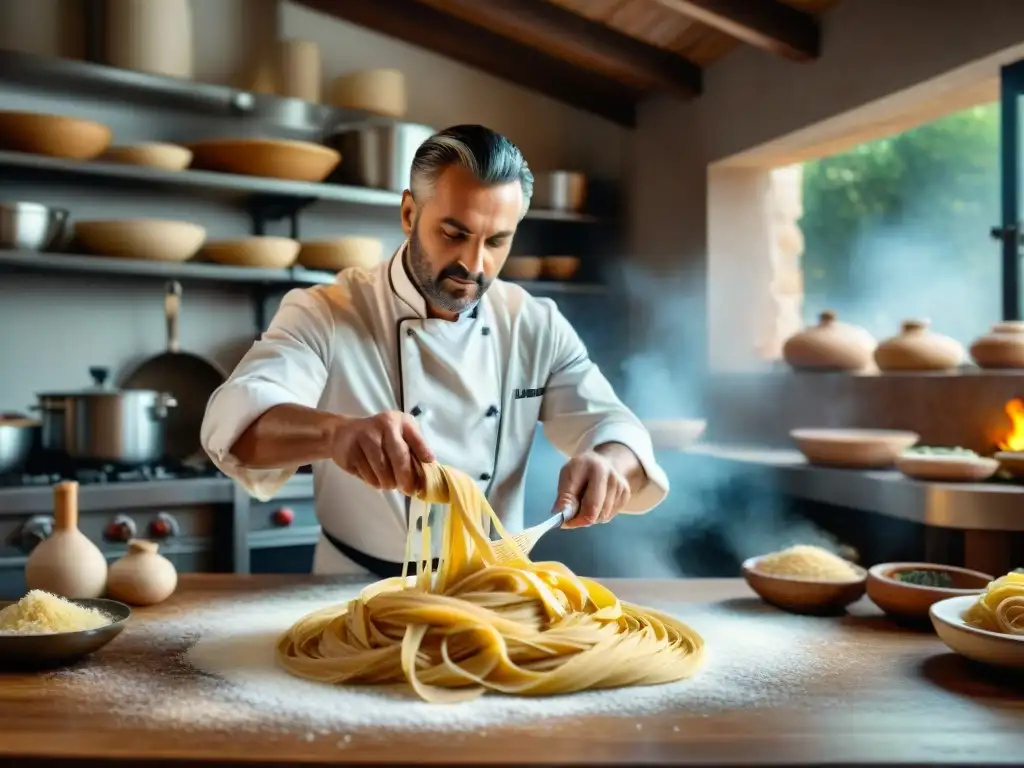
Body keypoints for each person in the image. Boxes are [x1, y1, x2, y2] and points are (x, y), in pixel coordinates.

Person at [200, 124, 669, 577]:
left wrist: (608, 462)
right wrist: (335, 434)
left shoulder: (533, 323)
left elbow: (614, 425)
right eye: (454, 233)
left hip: (492, 592)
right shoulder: (326, 311)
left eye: (496, 241)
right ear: (409, 214)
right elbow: (236, 419)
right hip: (354, 590)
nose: (474, 263)